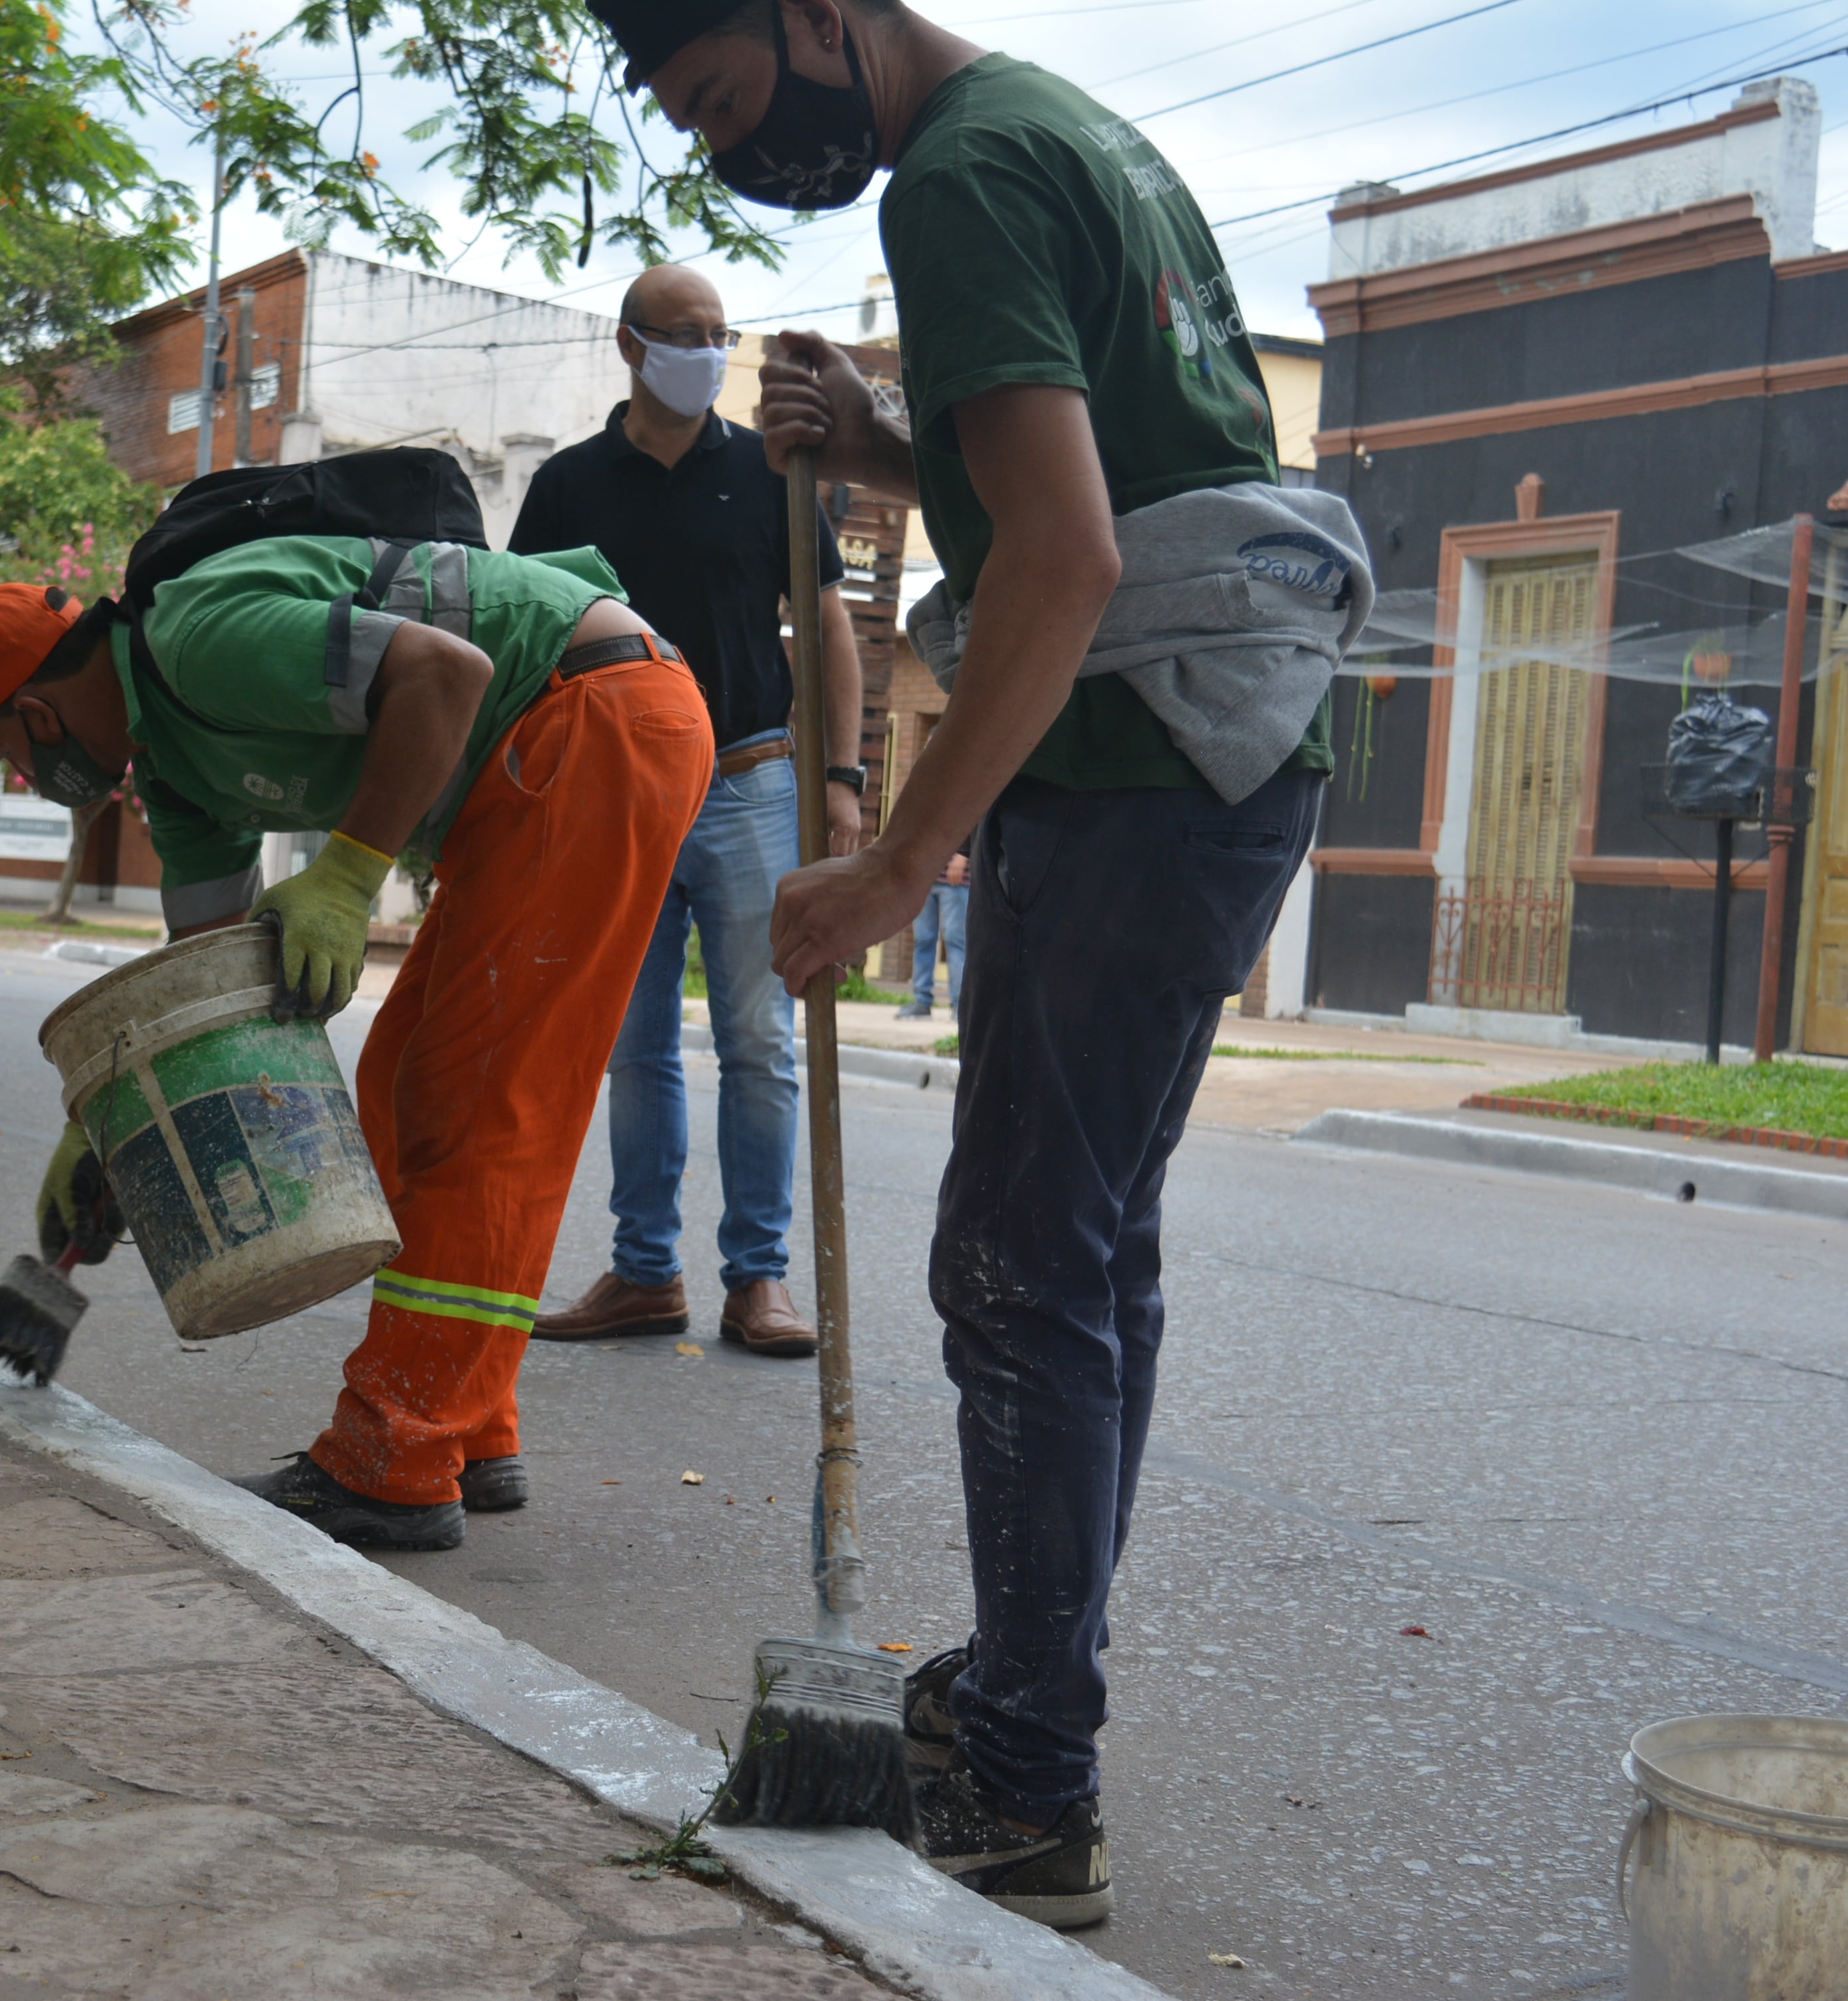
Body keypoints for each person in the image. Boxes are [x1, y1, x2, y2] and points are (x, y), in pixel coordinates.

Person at [604, 0, 1370, 1930]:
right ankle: (1032, 1707)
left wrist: (891, 863)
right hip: (1217, 751)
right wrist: (876, 443)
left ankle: (1031, 1785)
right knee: (1084, 1251)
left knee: (1023, 1263)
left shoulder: (960, 179)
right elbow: (1091, 469)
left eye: (723, 99)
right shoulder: (1056, 131)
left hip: (1138, 762)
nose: (728, 149)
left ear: (816, 17)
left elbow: (1069, 555)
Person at [0, 536, 712, 1552]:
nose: (29, 779)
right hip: (554, 744)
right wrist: (121, 1128)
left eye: (12, 757)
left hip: (596, 715)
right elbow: (209, 997)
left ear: (35, 713)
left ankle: (395, 1463)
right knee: (397, 1088)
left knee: (474, 1108)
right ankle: (469, 1429)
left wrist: (346, 875)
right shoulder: (176, 777)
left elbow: (446, 671)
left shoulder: (197, 639)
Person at [510, 263, 861, 1361]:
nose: (707, 352)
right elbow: (523, 639)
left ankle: (759, 1280)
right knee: (634, 1042)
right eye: (684, 333)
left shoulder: (773, 477)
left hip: (754, 783)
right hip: (612, 793)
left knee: (763, 1038)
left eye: (722, 334)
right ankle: (643, 1272)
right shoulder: (569, 487)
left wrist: (841, 781)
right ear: (630, 345)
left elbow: (828, 630)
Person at [896, 847, 968, 1019]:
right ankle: (921, 1002)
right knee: (923, 940)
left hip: (956, 881)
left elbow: (973, 823)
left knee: (956, 942)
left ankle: (960, 1005)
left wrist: (962, 857)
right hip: (925, 878)